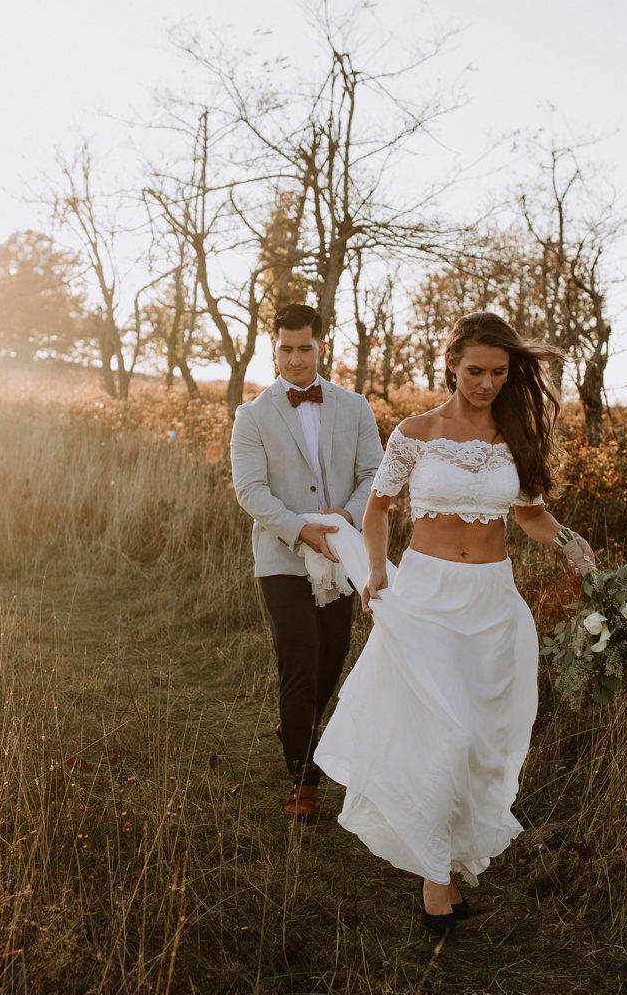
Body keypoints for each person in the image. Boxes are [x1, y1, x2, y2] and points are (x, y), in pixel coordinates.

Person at [313, 311, 597, 935]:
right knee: (445, 733)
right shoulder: (416, 432)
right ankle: (435, 878)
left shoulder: (514, 437)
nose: (487, 383)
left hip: (491, 602)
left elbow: (530, 517)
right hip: (426, 596)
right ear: (451, 364)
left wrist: (573, 545)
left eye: (499, 372)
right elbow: (379, 507)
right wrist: (379, 572)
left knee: (479, 743)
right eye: (475, 371)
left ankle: (447, 859)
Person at [229, 303, 385, 822]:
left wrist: (345, 516)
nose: (295, 359)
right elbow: (250, 490)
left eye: (305, 348)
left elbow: (375, 476)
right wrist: (300, 528)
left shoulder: (356, 407)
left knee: (331, 656)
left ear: (322, 346)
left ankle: (294, 726)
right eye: (286, 349)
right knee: (299, 658)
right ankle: (302, 777)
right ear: (273, 347)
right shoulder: (252, 416)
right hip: (281, 557)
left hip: (342, 556)